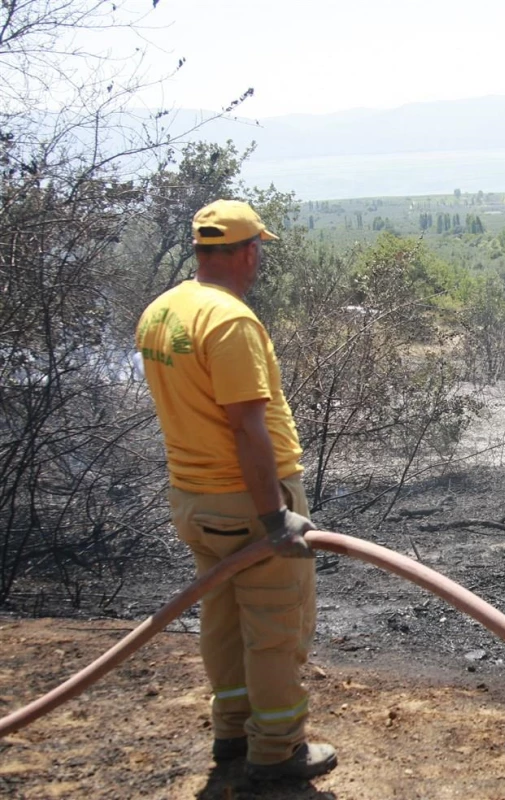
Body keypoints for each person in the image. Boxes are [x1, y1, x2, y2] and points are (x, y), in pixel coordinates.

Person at [136, 200, 337, 781]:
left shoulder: (162, 312)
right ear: (248, 252)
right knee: (275, 625)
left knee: (222, 616)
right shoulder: (229, 321)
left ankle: (232, 735)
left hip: (194, 498)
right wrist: (275, 517)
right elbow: (247, 424)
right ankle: (275, 751)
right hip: (248, 502)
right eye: (259, 252)